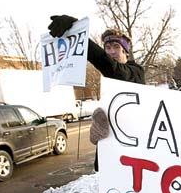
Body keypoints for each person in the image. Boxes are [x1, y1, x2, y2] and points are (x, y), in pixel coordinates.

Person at [48, 15, 145, 170]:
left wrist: (80, 36)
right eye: (108, 48)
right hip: (113, 159)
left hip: (137, 158)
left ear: (126, 52)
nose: (111, 52)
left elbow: (113, 69)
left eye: (116, 47)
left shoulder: (135, 72)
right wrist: (99, 129)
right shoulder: (107, 82)